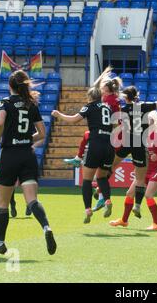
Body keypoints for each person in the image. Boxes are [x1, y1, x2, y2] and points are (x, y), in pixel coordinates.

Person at [0, 70, 57, 256]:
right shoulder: (31, 104)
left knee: (2, 202)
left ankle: (0, 243)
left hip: (10, 154)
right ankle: (46, 228)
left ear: (9, 86)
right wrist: (27, 139)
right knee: (32, 200)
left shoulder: (3, 103)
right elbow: (42, 134)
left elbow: (0, 122)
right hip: (27, 154)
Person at [108, 75, 157, 227]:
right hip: (143, 168)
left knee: (148, 195)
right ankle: (124, 220)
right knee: (129, 193)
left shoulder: (156, 134)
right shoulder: (139, 113)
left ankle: (156, 223)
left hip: (155, 169)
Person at [51, 86, 115, 224]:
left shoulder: (89, 106)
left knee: (86, 180)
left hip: (96, 145)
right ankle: (108, 200)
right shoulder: (108, 108)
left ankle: (88, 209)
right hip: (109, 146)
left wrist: (59, 115)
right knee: (102, 177)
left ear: (90, 97)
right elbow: (115, 125)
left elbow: (74, 119)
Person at [63, 66, 121, 212]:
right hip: (111, 138)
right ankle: (103, 197)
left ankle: (96, 200)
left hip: (104, 139)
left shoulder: (105, 100)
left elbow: (76, 118)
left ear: (105, 91)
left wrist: (58, 114)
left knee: (91, 178)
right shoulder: (113, 101)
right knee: (103, 173)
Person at [10, 139, 44, 218]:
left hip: (28, 157)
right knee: (12, 183)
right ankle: (12, 203)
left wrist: (33, 146)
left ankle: (29, 204)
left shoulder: (31, 128)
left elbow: (42, 137)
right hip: (13, 156)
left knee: (30, 181)